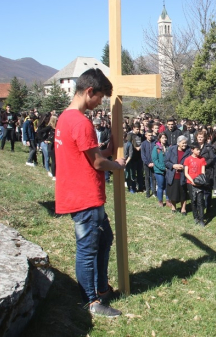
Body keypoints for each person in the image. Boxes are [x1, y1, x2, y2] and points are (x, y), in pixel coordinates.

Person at [55, 68, 125, 317]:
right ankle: (92, 301)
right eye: (99, 98)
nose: (99, 104)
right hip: (84, 196)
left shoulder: (65, 117)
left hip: (79, 193)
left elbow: (86, 155)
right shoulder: (81, 122)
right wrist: (116, 165)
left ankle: (102, 289)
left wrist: (105, 152)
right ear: (89, 91)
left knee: (104, 240)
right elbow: (96, 164)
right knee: (87, 248)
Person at [165, 135, 191, 215]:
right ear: (178, 143)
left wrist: (183, 167)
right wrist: (173, 166)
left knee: (183, 192)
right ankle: (173, 207)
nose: (185, 145)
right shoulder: (171, 149)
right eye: (183, 143)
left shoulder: (189, 151)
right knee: (173, 192)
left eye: (186, 143)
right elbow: (166, 161)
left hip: (183, 175)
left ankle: (183, 209)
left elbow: (191, 162)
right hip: (173, 175)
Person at [184, 142, 207, 226]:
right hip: (190, 183)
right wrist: (192, 181)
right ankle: (195, 216)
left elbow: (203, 172)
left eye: (199, 150)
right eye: (197, 150)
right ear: (192, 150)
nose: (199, 151)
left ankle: (201, 219)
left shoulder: (202, 159)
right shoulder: (187, 159)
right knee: (193, 200)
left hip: (199, 183)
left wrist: (199, 181)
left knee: (200, 201)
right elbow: (186, 173)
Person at [196, 131, 216, 214]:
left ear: (204, 138)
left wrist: (204, 164)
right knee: (198, 190)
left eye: (202, 137)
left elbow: (212, 158)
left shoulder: (208, 147)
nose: (200, 138)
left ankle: (208, 207)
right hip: (196, 171)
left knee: (207, 191)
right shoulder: (194, 146)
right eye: (199, 137)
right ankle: (199, 207)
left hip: (207, 171)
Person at [152, 133, 168, 207]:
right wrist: (162, 168)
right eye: (162, 138)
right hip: (159, 170)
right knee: (161, 185)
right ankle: (160, 201)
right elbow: (155, 160)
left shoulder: (168, 147)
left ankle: (168, 200)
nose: (164, 139)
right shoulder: (156, 148)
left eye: (165, 138)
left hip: (167, 170)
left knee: (167, 185)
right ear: (159, 139)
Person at [141, 131, 155, 198]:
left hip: (154, 163)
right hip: (146, 164)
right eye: (149, 135)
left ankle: (154, 191)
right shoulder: (143, 144)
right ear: (146, 135)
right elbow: (143, 155)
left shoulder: (154, 143)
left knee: (153, 178)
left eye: (151, 135)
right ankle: (148, 192)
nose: (150, 136)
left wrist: (154, 162)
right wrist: (147, 163)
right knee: (147, 177)